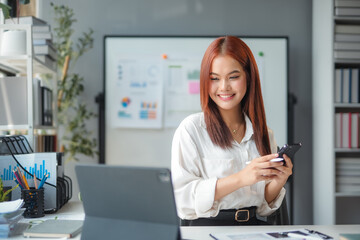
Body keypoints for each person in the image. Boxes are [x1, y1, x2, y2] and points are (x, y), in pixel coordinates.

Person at [171, 36, 293, 226]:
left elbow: (263, 206)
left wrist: (279, 180)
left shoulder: (263, 134)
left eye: (233, 77)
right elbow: (182, 199)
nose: (224, 87)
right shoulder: (191, 129)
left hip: (253, 228)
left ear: (248, 78)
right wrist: (241, 178)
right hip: (206, 230)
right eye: (214, 79)